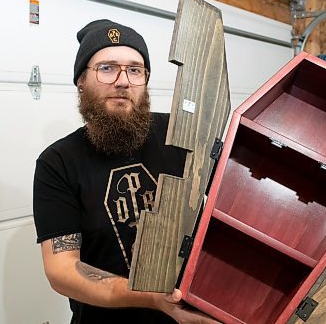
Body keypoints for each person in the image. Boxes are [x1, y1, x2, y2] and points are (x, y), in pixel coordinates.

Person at [33, 19, 220, 324]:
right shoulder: (58, 163)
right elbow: (62, 270)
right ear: (81, 80)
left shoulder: (180, 135)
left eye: (135, 70)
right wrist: (153, 298)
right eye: (107, 68)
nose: (123, 81)